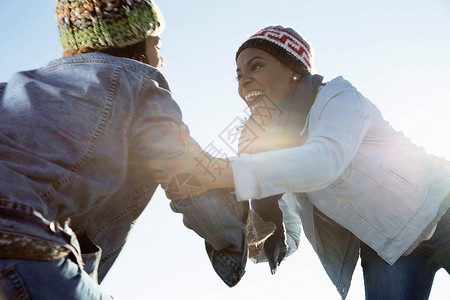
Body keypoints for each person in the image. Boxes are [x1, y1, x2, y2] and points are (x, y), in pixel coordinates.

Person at [150, 25, 450, 299]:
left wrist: (219, 171)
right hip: (388, 248)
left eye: (256, 66)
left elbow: (322, 162)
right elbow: (290, 229)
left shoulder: (337, 97)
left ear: (293, 69)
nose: (244, 80)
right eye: (239, 75)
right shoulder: (267, 148)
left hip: (440, 209)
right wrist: (255, 244)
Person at [0, 1, 250, 299]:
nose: (162, 58)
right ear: (134, 42)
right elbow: (186, 176)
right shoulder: (140, 85)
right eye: (157, 43)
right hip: (20, 244)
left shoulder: (16, 89)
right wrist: (235, 240)